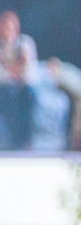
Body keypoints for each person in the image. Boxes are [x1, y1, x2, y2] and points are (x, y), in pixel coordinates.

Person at [0, 12, 35, 150]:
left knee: (30, 93)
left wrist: (10, 70)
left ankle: (25, 140)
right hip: (4, 88)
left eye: (9, 27)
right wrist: (11, 71)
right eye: (3, 26)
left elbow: (29, 72)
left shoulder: (25, 43)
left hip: (23, 88)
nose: (6, 30)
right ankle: (11, 141)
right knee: (9, 93)